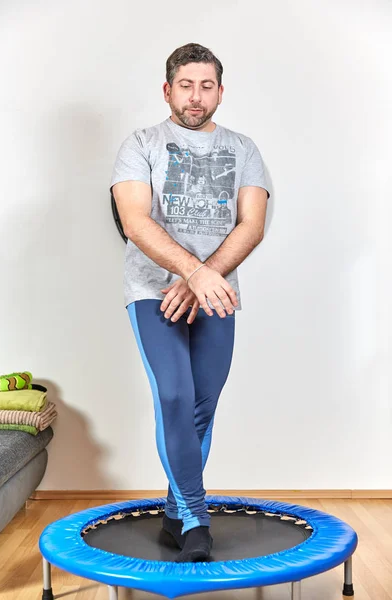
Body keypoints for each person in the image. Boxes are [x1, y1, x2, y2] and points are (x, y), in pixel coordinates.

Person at [110, 42, 270, 562]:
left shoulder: (243, 148)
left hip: (217, 294)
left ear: (220, 92)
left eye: (206, 86)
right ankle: (196, 518)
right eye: (186, 85)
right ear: (167, 90)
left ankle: (176, 515)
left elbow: (252, 223)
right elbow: (135, 222)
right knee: (174, 397)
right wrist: (192, 272)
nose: (196, 96)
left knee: (201, 406)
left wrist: (204, 277)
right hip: (151, 293)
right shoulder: (141, 143)